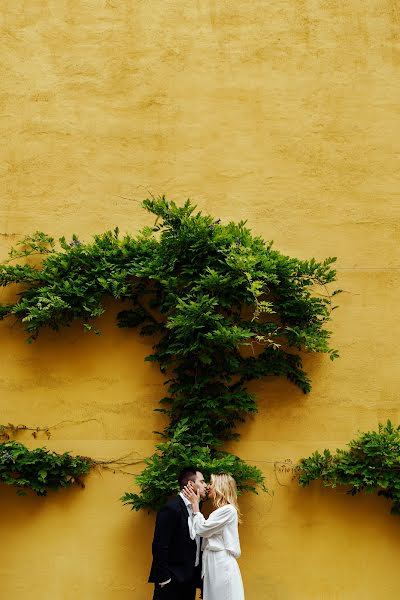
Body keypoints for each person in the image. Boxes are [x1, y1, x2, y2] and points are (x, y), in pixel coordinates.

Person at [183, 473, 245, 600]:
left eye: (211, 483)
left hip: (220, 563)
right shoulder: (220, 511)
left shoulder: (228, 510)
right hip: (214, 562)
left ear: (220, 487)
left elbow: (201, 529)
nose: (208, 487)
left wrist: (195, 505)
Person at [149, 467, 207, 600]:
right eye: (202, 481)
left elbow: (196, 544)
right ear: (191, 484)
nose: (205, 485)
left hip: (189, 582)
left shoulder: (197, 509)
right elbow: (159, 545)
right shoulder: (171, 508)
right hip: (171, 583)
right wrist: (165, 579)